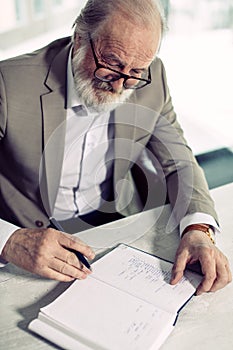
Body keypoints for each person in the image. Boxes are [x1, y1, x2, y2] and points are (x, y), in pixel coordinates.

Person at [0, 0, 231, 294]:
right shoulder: (7, 84)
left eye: (135, 71)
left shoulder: (152, 76)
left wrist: (198, 230)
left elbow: (179, 161)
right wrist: (9, 240)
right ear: (79, 38)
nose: (120, 85)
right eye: (111, 64)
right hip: (27, 230)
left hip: (116, 219)